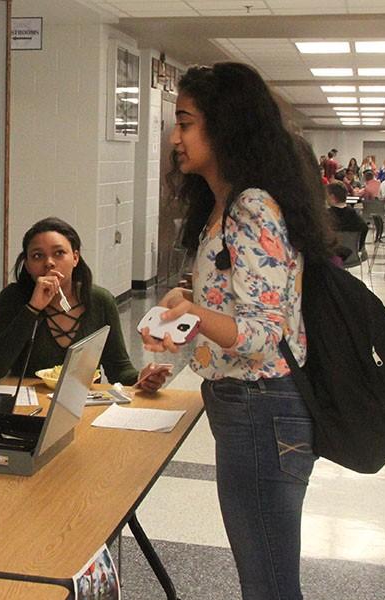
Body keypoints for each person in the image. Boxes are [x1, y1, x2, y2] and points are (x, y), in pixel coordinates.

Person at [142, 62, 333, 600]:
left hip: (263, 407)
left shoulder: (251, 206)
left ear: (224, 126)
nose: (175, 137)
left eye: (185, 122)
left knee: (268, 579)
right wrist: (187, 309)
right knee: (263, 574)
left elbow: (261, 334)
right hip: (247, 406)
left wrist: (196, 314)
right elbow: (237, 308)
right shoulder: (222, 207)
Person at [0, 217, 167, 392]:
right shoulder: (13, 298)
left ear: (75, 258)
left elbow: (119, 368)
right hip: (28, 410)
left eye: (59, 253)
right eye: (37, 256)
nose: (49, 263)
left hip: (83, 407)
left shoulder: (99, 300)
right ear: (26, 265)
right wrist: (32, 308)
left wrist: (142, 378)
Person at [326, 180, 369, 262]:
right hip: (351, 256)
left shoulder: (326, 216)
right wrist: (359, 247)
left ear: (332, 197)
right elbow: (364, 228)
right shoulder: (354, 215)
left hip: (330, 258)